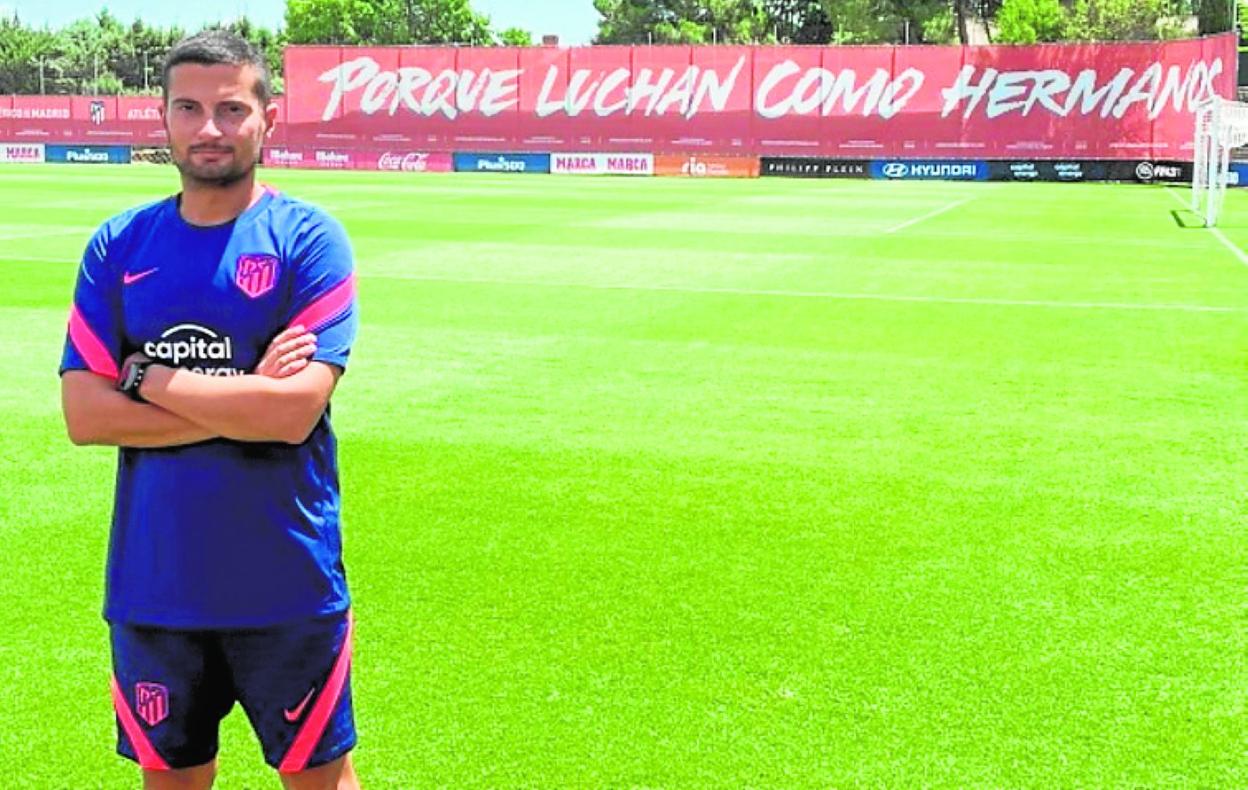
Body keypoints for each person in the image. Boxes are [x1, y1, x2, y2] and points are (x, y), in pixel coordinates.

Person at [59, 30, 360, 790]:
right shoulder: (120, 244)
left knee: (321, 781)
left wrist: (150, 379)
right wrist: (243, 394)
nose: (209, 129)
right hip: (156, 584)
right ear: (161, 118)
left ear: (269, 117)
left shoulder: (308, 239)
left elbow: (293, 413)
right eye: (188, 108)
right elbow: (84, 416)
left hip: (286, 581)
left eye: (231, 108)